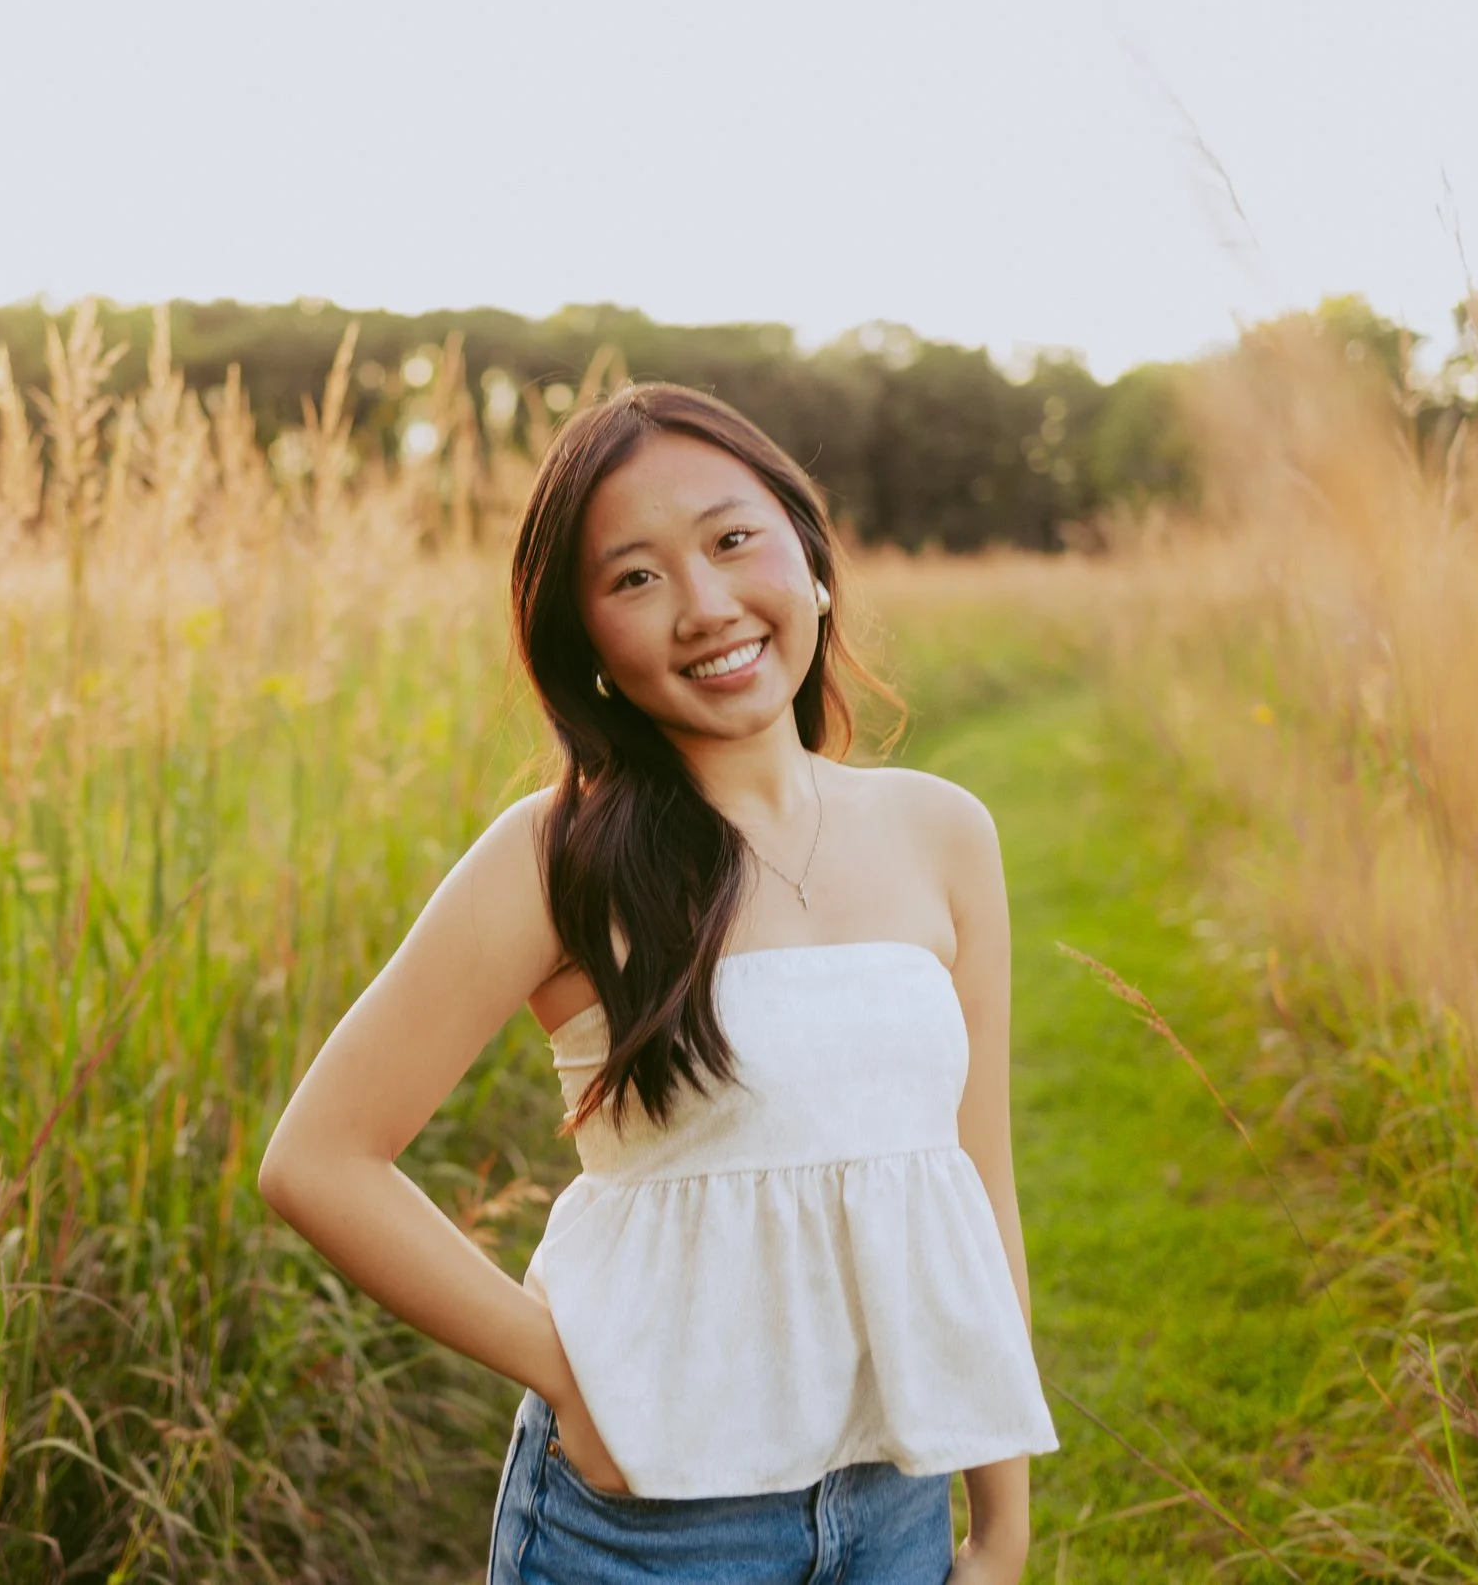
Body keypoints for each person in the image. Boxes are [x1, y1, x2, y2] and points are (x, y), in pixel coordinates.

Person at [257, 383, 1058, 1584]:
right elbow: (318, 1156)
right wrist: (566, 1371)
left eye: (733, 539)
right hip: (648, 1525)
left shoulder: (942, 832)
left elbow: (973, 1182)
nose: (705, 606)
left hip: (895, 1493)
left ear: (810, 555)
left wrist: (1001, 1522)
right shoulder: (554, 857)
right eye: (633, 577)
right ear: (584, 649)